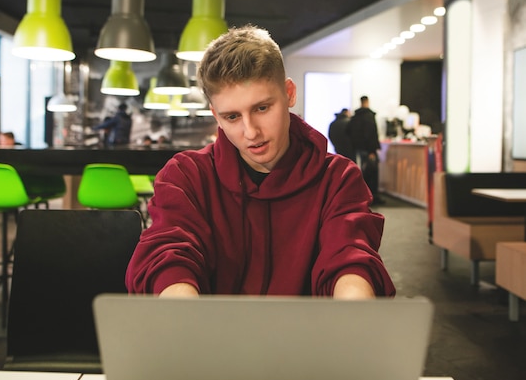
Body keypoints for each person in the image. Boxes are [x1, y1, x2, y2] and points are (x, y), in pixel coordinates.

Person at [125, 25, 395, 299]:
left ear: (289, 93)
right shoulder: (186, 176)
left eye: (262, 108)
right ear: (215, 116)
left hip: (310, 340)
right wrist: (185, 314)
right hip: (207, 338)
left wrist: (355, 309)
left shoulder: (338, 178)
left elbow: (350, 257)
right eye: (232, 117)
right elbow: (169, 253)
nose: (251, 132)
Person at [347, 96, 385, 205]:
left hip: (358, 149)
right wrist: (372, 150)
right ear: (367, 102)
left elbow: (348, 131)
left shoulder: (355, 117)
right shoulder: (369, 116)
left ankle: (362, 196)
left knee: (362, 172)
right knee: (372, 173)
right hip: (368, 149)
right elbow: (371, 134)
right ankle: (372, 196)